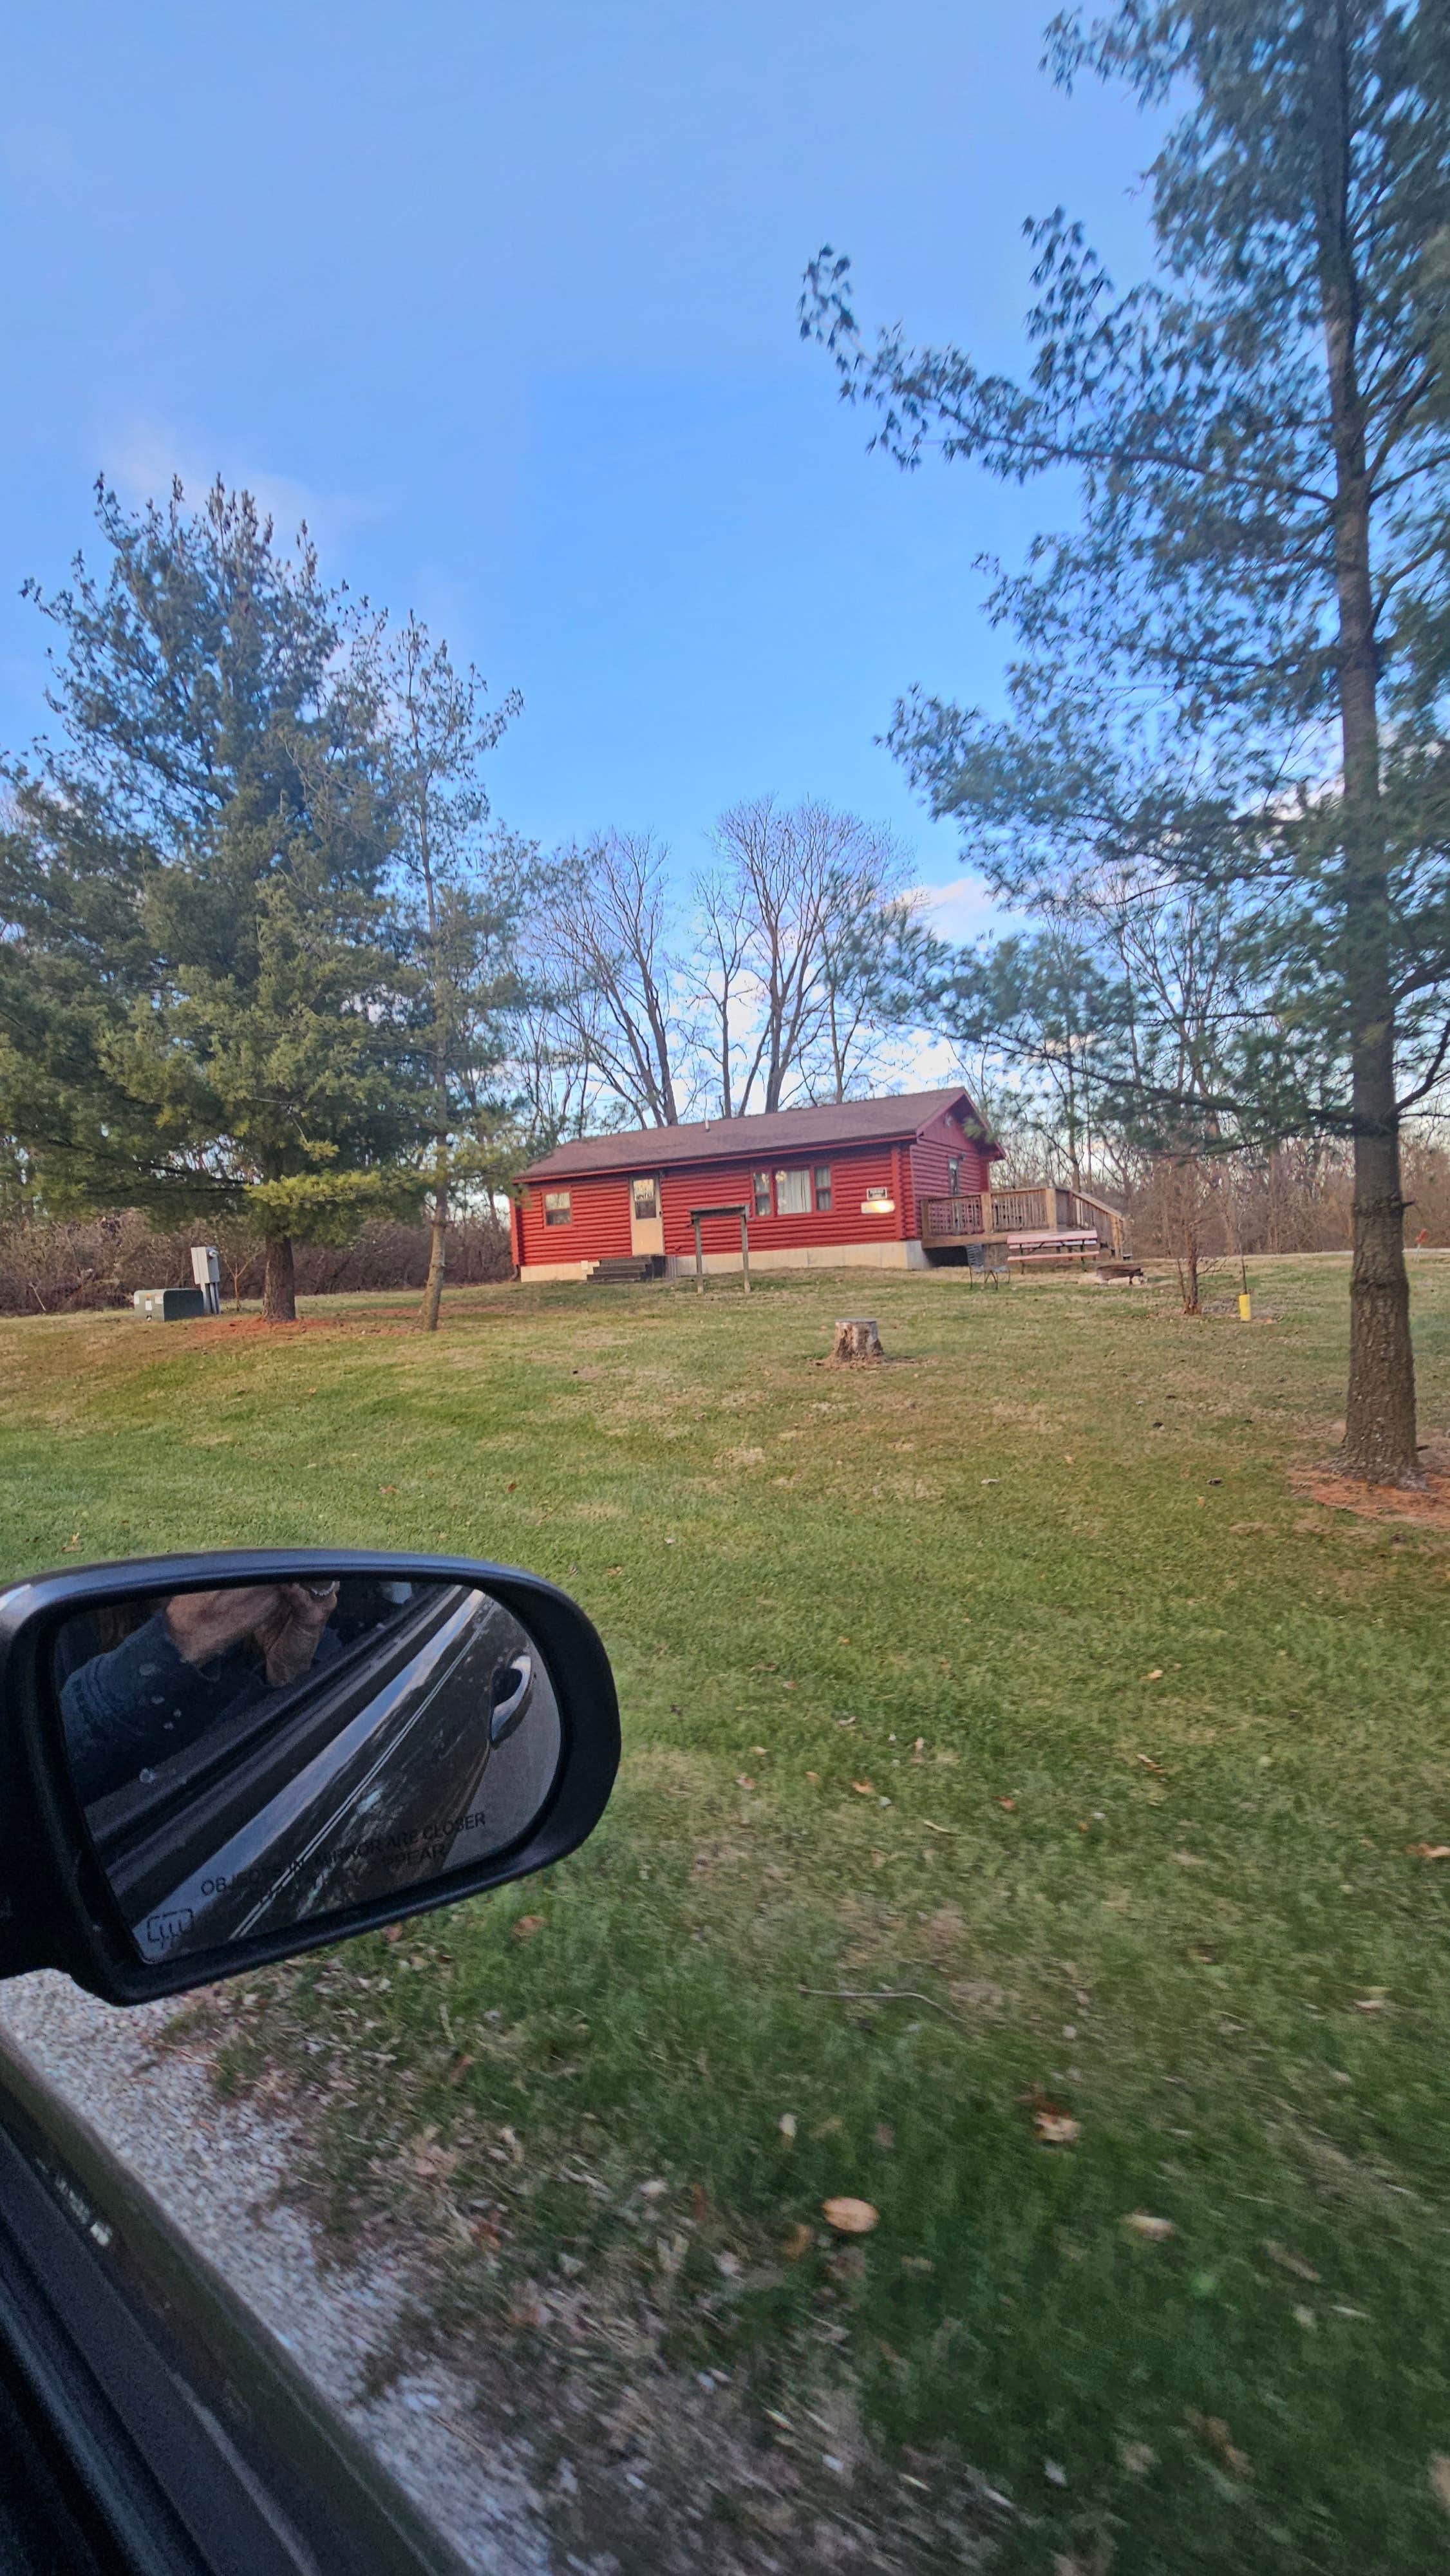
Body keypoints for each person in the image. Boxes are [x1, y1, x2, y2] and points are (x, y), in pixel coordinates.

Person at [58, 1583, 341, 1808]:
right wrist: (178, 1640)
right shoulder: (70, 1618)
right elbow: (48, 1767)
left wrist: (283, 1673)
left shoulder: (285, 1620)